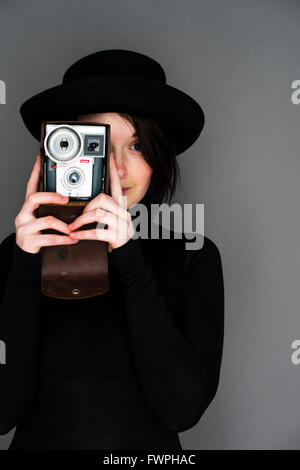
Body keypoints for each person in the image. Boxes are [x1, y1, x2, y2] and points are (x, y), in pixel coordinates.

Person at [0, 49, 224, 450]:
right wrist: (22, 272)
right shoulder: (15, 254)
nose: (118, 169)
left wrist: (130, 257)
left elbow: (182, 411)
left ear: (160, 159)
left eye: (137, 146)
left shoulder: (194, 254)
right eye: (99, 145)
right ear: (61, 151)